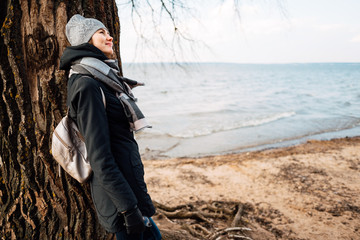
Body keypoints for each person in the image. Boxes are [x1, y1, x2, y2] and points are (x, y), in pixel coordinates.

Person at [59, 14, 161, 240]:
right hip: (120, 204)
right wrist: (129, 210)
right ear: (87, 41)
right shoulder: (87, 86)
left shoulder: (102, 79)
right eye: (101, 33)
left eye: (108, 31)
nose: (110, 37)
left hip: (129, 191)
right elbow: (100, 157)